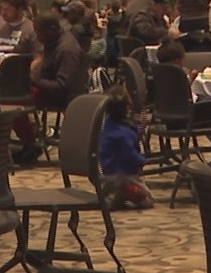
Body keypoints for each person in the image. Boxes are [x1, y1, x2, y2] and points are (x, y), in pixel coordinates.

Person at [13, 12, 87, 165]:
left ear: (52, 29)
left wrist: (35, 80)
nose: (37, 36)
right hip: (47, 89)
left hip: (63, 96)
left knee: (14, 102)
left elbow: (62, 86)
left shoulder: (67, 49)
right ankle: (29, 141)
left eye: (39, 32)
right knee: (12, 96)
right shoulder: (52, 41)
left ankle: (30, 143)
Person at [96, 82, 152, 211]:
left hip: (107, 171)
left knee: (115, 194)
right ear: (127, 107)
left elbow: (127, 134)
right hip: (123, 173)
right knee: (148, 201)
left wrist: (140, 128)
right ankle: (125, 190)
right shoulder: (124, 134)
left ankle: (115, 194)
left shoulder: (108, 124)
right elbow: (130, 154)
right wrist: (142, 161)